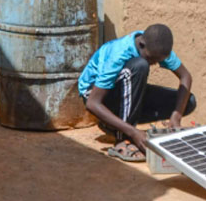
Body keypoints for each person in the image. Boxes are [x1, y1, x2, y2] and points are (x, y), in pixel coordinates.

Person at [78, 24, 195, 162]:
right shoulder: (119, 53)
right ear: (141, 44)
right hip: (97, 94)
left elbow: (185, 76)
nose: (154, 64)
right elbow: (92, 103)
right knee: (140, 65)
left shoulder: (158, 47)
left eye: (158, 61)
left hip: (124, 91)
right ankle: (123, 138)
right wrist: (133, 132)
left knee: (188, 101)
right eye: (152, 59)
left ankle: (113, 124)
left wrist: (176, 116)